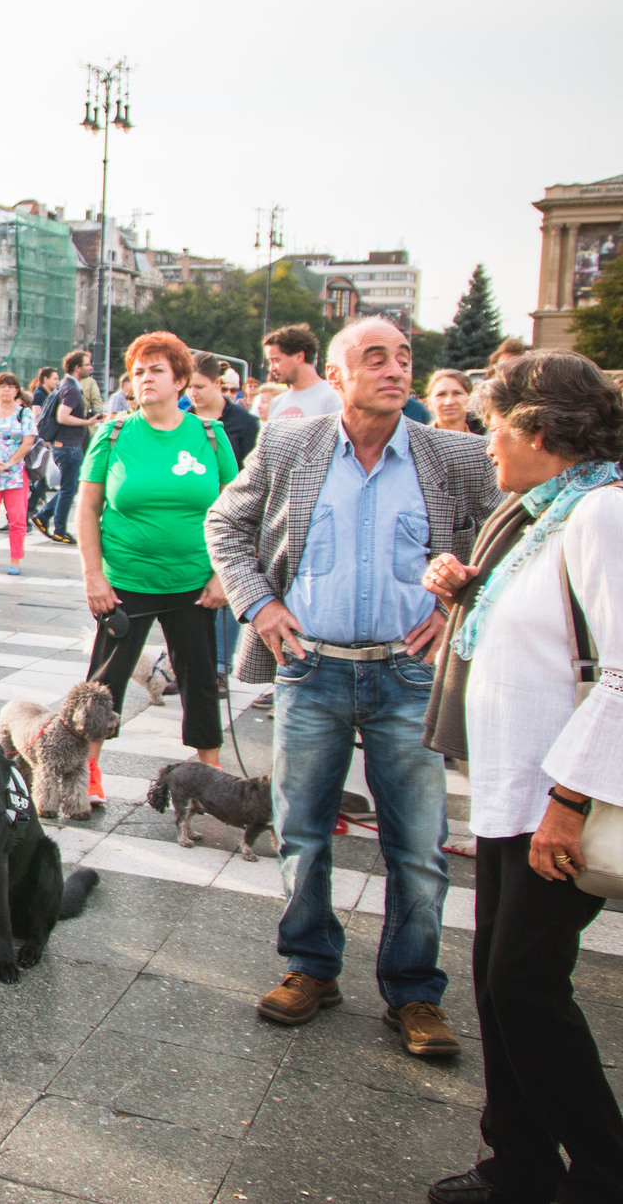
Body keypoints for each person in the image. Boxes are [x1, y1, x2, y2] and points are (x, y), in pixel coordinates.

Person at [206, 315, 500, 1054]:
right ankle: (310, 965)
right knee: (302, 829)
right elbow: (225, 523)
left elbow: (519, 533)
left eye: (404, 357)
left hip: (408, 673)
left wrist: (460, 604)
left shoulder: (454, 453)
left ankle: (414, 991)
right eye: (376, 358)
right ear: (337, 377)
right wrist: (260, 603)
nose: (396, 369)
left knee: (419, 844)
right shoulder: (290, 442)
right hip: (313, 665)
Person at [420, 350, 623, 1204]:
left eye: (494, 424)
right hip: (514, 789)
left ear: (539, 431)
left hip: (557, 797)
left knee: (523, 985)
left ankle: (605, 1167)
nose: (483, 439)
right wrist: (463, 585)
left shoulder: (603, 513)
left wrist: (569, 804)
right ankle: (519, 1162)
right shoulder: (541, 509)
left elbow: (620, 671)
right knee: (496, 981)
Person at [76, 333, 236, 790]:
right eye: (139, 372)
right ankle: (88, 768)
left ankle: (210, 769)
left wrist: (222, 574)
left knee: (200, 679)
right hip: (126, 579)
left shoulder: (209, 434)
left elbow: (233, 509)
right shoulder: (115, 432)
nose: (145, 380)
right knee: (104, 681)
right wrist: (94, 574)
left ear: (181, 380)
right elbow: (87, 508)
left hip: (193, 581)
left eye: (157, 371)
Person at [188, 352, 260, 693]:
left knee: (224, 589)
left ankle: (219, 667)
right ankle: (185, 664)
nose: (193, 394)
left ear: (218, 384)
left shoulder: (243, 423)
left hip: (232, 515)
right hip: (189, 519)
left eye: (200, 387)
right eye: (187, 387)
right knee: (191, 595)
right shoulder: (181, 420)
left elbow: (254, 473)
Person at [31, 349, 100, 544]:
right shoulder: (71, 388)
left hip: (66, 444)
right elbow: (63, 416)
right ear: (77, 367)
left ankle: (43, 517)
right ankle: (59, 529)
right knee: (68, 488)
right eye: (87, 364)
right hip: (68, 445)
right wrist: (87, 423)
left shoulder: (65, 385)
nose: (91, 367)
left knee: (68, 487)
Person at [0, 371, 36, 575]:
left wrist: (9, 462)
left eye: (11, 386)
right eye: (3, 386)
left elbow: (28, 441)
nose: (7, 390)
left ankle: (15, 560)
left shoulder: (24, 413)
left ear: (17, 390)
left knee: (17, 519)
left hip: (15, 473)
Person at [263, 323, 343, 421]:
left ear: (299, 356)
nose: (272, 369)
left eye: (276, 361)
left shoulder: (334, 397)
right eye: (270, 362)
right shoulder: (277, 403)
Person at [426, 368, 482, 436]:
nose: (449, 402)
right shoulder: (416, 443)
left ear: (470, 399)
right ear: (429, 403)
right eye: (441, 394)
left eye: (457, 393)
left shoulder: (482, 445)